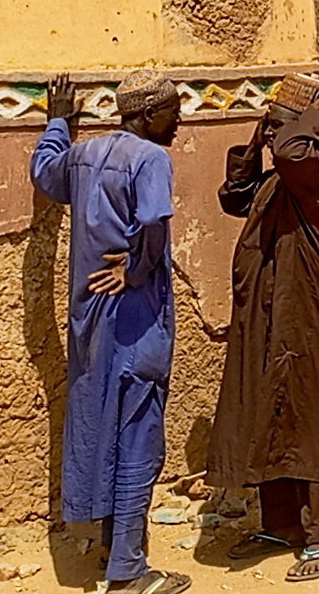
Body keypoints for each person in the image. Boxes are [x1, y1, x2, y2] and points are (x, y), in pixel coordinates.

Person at [30, 70, 190, 594]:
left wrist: (58, 122)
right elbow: (154, 223)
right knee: (139, 435)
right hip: (135, 318)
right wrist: (138, 270)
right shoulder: (151, 159)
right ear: (147, 115)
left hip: (88, 321)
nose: (179, 119)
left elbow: (44, 174)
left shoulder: (82, 155)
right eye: (171, 110)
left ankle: (109, 546)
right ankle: (128, 570)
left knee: (100, 429)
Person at [209, 73, 319, 582]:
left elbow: (292, 152)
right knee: (267, 404)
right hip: (263, 313)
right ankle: (282, 525)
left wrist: (308, 115)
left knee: (307, 410)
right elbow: (234, 193)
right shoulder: (277, 180)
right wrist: (260, 130)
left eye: (279, 126)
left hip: (299, 309)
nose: (272, 137)